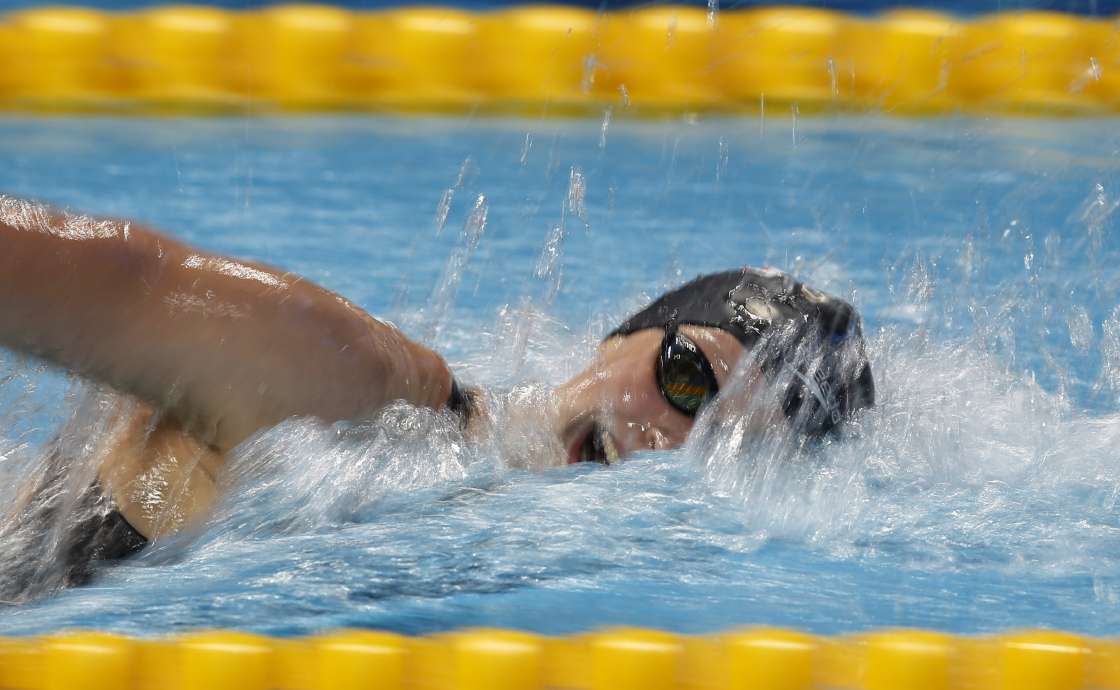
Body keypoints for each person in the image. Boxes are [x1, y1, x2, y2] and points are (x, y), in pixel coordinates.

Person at [0, 194, 875, 599]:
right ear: (627, 332)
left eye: (724, 445)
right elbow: (125, 283)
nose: (665, 440)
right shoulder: (367, 388)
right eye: (688, 381)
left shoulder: (520, 568)